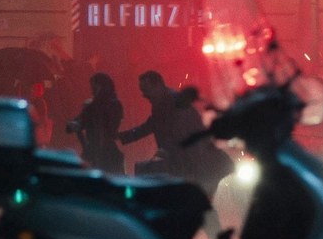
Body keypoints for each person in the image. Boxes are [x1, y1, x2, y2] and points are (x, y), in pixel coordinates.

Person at [118, 70, 232, 198]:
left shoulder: (171, 104)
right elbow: (152, 125)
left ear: (157, 85)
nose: (144, 95)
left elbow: (180, 134)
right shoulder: (165, 103)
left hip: (192, 162)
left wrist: (165, 151)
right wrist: (123, 136)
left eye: (146, 90)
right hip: (191, 162)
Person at [66, 72, 125, 174]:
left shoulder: (111, 104)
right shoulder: (93, 106)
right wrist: (73, 125)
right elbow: (78, 121)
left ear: (101, 86)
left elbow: (110, 128)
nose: (92, 90)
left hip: (105, 153)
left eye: (94, 87)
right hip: (96, 152)